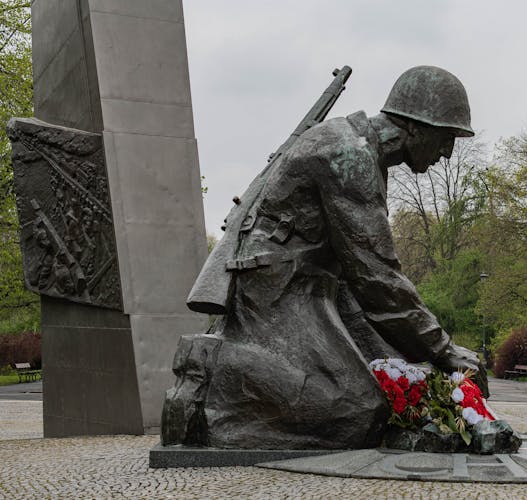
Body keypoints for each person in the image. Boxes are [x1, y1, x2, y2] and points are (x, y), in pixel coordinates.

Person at [162, 66, 487, 450]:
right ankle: (212, 370)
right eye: (446, 138)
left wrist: (429, 356)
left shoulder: (367, 156)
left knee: (400, 379)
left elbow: (362, 277)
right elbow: (378, 278)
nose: (447, 153)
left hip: (324, 287)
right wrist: (444, 351)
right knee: (358, 409)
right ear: (416, 127)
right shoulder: (348, 153)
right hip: (277, 290)